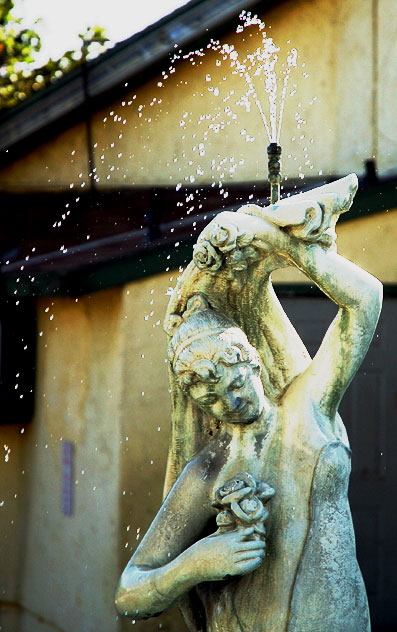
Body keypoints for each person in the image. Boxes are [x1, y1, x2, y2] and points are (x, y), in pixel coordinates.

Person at [115, 174, 382, 631]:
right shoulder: (209, 468)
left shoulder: (309, 403)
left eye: (234, 385)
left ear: (254, 364)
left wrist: (286, 246)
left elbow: (366, 300)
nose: (229, 402)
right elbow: (130, 592)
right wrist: (196, 563)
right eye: (211, 399)